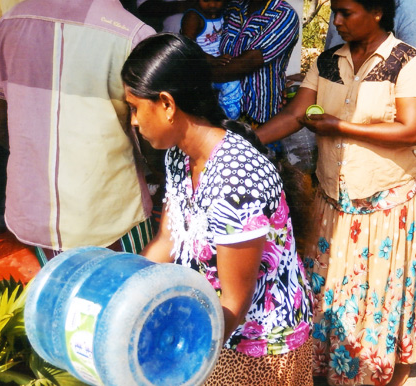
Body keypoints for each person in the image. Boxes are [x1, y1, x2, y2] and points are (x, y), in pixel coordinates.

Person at [257, 0, 416, 383]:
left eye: (346, 12)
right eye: (335, 12)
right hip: (333, 200)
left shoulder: (406, 62)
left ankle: (373, 370)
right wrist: (245, 139)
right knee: (332, 293)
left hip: (384, 203)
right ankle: (328, 366)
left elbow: (412, 130)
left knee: (374, 296)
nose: (336, 21)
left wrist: (341, 127)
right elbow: (295, 115)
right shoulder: (326, 62)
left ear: (376, 12)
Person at [123, 33, 313, 385]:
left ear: (166, 104)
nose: (133, 121)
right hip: (212, 324)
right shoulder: (180, 155)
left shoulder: (236, 181)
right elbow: (167, 238)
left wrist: (178, 361)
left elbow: (234, 304)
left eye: (135, 107)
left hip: (257, 346)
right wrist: (126, 293)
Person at [0, 0, 156, 263]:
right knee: (128, 298)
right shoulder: (132, 35)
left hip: (37, 218)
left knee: (64, 299)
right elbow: (153, 139)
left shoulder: (8, 23)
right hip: (111, 216)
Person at [214, 0, 298, 126]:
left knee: (258, 143)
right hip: (223, 108)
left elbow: (247, 62)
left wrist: (197, 75)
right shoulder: (234, 8)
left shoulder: (283, 14)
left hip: (259, 114)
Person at [180, 0, 242, 119]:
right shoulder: (193, 17)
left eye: (217, 0)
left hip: (220, 65)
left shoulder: (225, 13)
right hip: (201, 66)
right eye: (206, 0)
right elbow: (188, 46)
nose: (212, 4)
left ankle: (228, 122)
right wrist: (211, 60)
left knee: (232, 92)